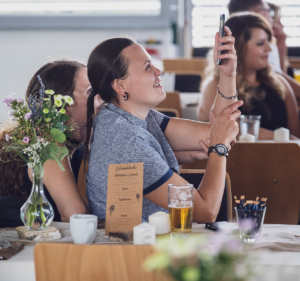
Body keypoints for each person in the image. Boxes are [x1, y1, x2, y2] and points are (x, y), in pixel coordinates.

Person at [85, 27, 243, 223]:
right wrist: (218, 148)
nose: (158, 71)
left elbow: (218, 131)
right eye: (147, 67)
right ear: (120, 86)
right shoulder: (125, 140)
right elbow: (206, 211)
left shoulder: (131, 116)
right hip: (133, 251)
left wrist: (227, 75)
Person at [0, 60, 101, 223]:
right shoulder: (47, 143)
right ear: (63, 105)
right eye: (91, 91)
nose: (102, 96)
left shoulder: (84, 143)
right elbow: (76, 215)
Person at [198, 13, 300, 139]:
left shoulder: (280, 83)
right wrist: (278, 138)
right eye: (260, 43)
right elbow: (220, 128)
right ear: (238, 49)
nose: (269, 48)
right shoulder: (214, 86)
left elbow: (296, 135)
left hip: (283, 158)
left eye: (268, 41)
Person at [228, 0, 300, 102]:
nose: (271, 19)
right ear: (258, 12)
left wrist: (281, 50)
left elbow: (278, 83)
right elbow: (278, 79)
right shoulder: (247, 42)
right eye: (268, 11)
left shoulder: (267, 42)